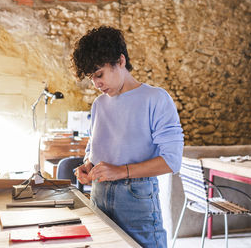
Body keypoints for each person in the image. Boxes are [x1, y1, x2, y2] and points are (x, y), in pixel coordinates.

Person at [72, 26, 184, 248]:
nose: (96, 84)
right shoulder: (99, 104)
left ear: (120, 61)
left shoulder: (155, 98)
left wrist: (121, 171)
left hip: (137, 198)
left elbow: (172, 160)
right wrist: (87, 166)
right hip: (99, 195)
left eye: (99, 74)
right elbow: (93, 150)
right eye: (91, 78)